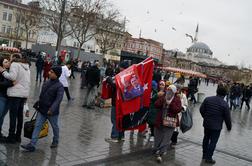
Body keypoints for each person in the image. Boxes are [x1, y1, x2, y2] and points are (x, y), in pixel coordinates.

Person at [21, 66, 64, 152]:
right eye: (50, 71)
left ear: (57, 74)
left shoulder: (60, 86)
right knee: (37, 126)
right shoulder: (47, 82)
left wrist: (51, 110)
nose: (49, 73)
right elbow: (42, 95)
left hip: (52, 112)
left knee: (55, 126)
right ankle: (32, 145)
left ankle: (55, 140)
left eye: (51, 72)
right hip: (42, 109)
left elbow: (58, 100)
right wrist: (39, 104)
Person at [0, 54, 30, 143]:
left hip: (15, 94)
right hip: (23, 94)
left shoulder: (15, 65)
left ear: (13, 59)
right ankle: (18, 136)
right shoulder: (26, 67)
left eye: (10, 59)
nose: (9, 61)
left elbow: (12, 77)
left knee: (13, 116)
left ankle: (11, 137)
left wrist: (3, 72)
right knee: (19, 116)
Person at [200, 86, 232, 164]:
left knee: (206, 139)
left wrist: (205, 117)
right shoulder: (224, 104)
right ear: (224, 95)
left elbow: (201, 110)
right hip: (216, 127)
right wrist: (229, 127)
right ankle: (209, 158)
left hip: (207, 124)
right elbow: (227, 117)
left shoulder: (208, 99)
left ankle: (204, 155)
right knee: (213, 142)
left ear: (217, 92)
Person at [153, 85, 182, 163]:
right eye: (168, 90)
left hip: (170, 122)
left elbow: (178, 109)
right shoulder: (163, 97)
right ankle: (157, 148)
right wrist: (163, 100)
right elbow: (156, 104)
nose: (169, 92)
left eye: (171, 90)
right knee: (157, 135)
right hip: (160, 120)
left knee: (166, 138)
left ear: (174, 92)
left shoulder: (177, 99)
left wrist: (171, 103)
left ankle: (160, 153)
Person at [105, 61, 129, 143]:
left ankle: (114, 136)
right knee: (121, 119)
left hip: (118, 101)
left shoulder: (123, 76)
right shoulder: (128, 75)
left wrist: (109, 81)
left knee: (115, 119)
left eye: (120, 67)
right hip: (124, 102)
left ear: (122, 68)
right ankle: (121, 136)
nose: (119, 68)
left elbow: (118, 86)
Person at [0, 57, 13, 141]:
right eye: (5, 62)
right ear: (1, 64)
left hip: (8, 98)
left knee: (2, 117)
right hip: (1, 97)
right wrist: (10, 84)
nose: (8, 63)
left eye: (8, 62)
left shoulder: (9, 72)